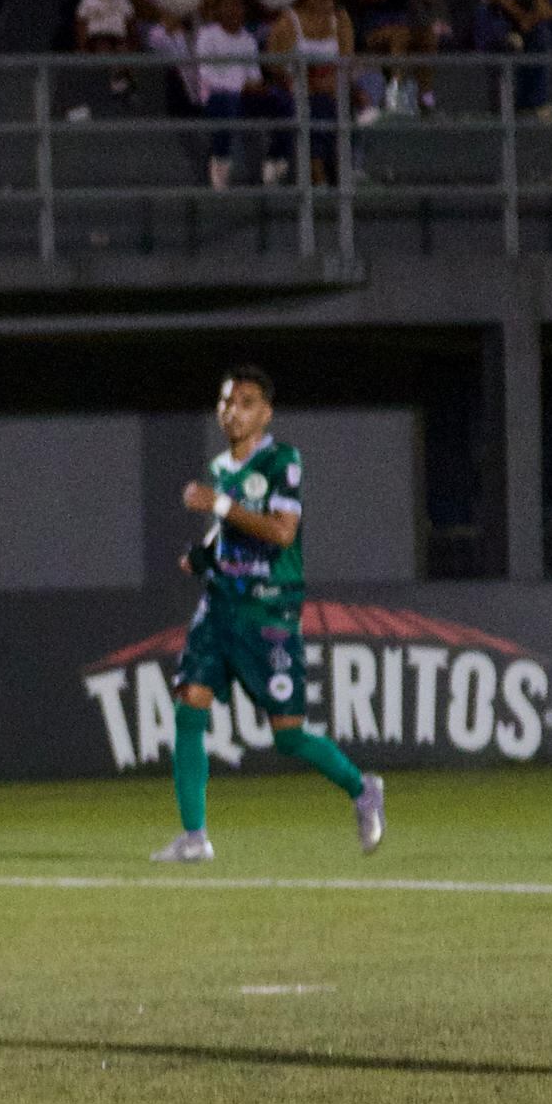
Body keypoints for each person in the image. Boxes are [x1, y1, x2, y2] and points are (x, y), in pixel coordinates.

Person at [148, 366, 385, 867]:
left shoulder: (283, 461)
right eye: (227, 401)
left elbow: (280, 532)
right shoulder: (221, 467)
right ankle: (195, 837)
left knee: (289, 734)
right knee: (189, 705)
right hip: (219, 605)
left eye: (246, 402)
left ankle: (362, 789)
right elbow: (229, 532)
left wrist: (222, 504)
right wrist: (203, 555)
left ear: (266, 413)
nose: (233, 411)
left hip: (269, 609)